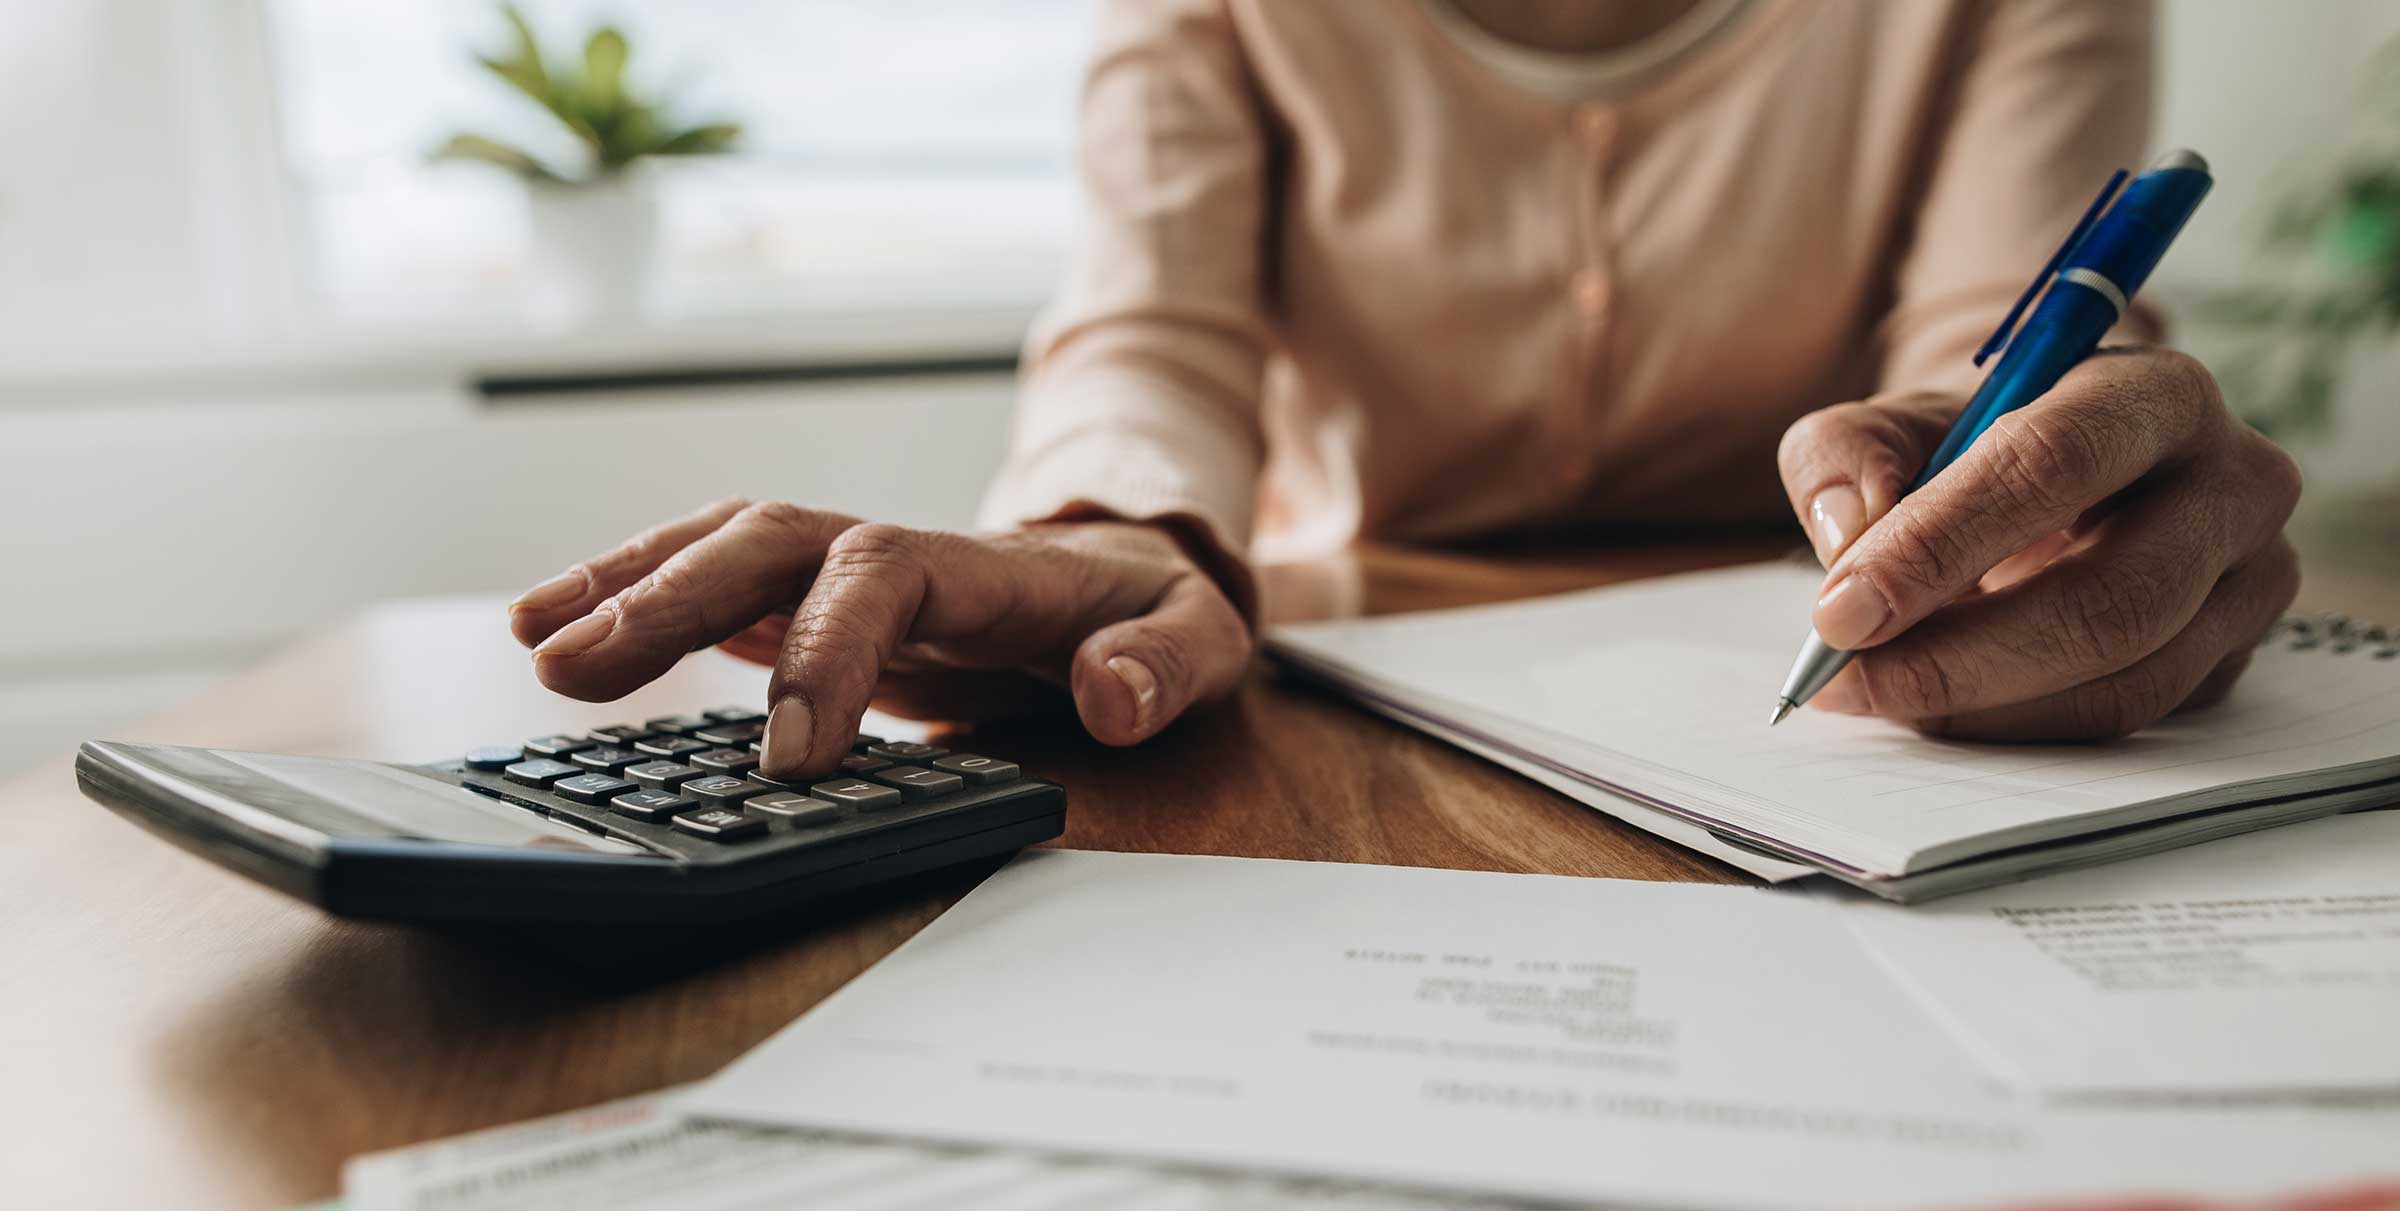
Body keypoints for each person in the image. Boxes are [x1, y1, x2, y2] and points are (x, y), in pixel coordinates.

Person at [508, 0, 2302, 784]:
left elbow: (1983, 356)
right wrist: (1113, 526)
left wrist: (2058, 477)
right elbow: (1153, 324)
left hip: (1834, 685)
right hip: (1352, 683)